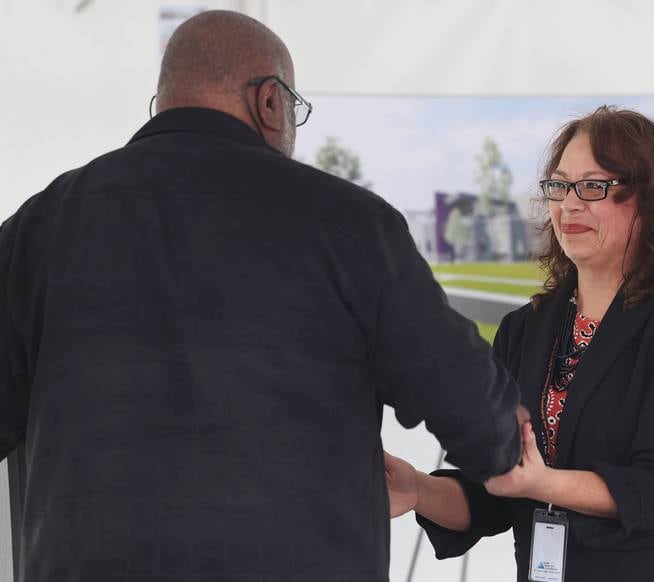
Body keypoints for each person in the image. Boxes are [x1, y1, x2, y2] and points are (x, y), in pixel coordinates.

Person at [0, 10, 527, 581]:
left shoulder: (39, 227)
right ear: (270, 102)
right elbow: (470, 407)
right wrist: (509, 444)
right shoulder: (349, 223)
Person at [385, 106, 654, 581]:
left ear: (652, 200)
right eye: (559, 185)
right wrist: (418, 490)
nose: (569, 205)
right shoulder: (524, 330)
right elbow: (492, 491)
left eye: (594, 187)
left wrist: (542, 482)